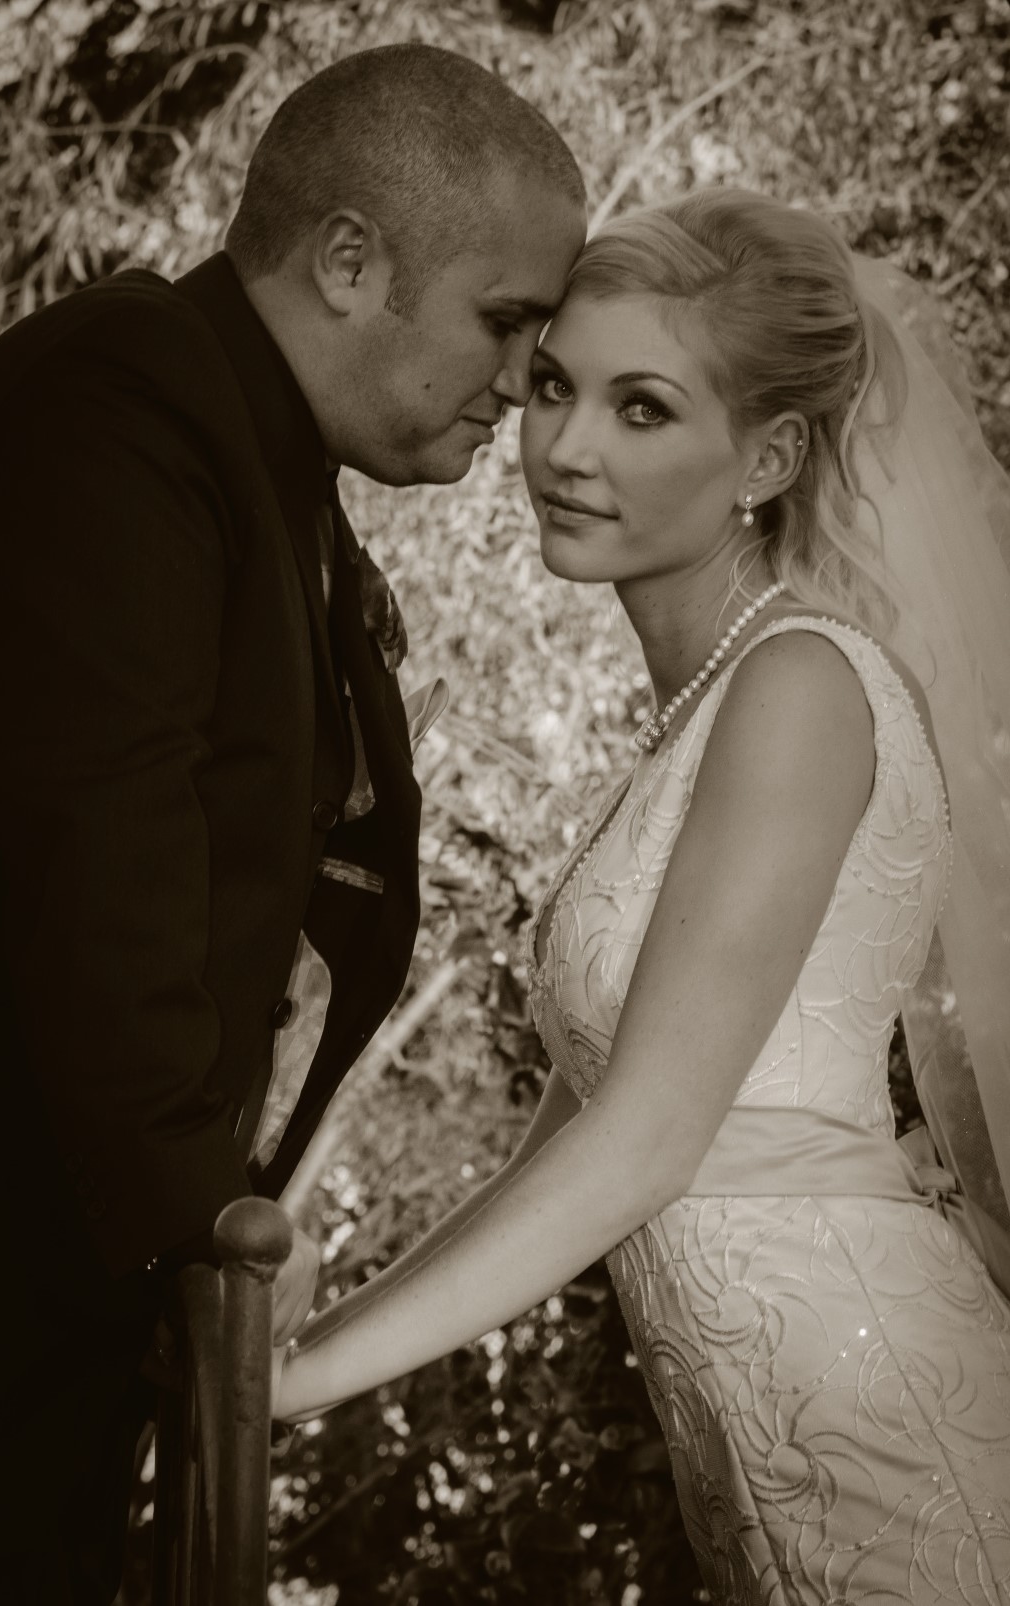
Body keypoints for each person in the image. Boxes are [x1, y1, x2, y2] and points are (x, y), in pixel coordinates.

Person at [272, 190, 1010, 1601]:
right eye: (555, 385)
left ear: (769, 456)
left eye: (643, 408)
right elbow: (565, 1152)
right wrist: (302, 1340)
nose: (564, 446)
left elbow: (647, 1142)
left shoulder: (801, 686)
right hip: (762, 1455)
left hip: (877, 1424)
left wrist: (294, 1386)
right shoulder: (703, 719)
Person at [0, 42, 585, 1605]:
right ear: (349, 261)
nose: (518, 381)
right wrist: (197, 1223)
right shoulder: (121, 404)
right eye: (505, 321)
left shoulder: (254, 450)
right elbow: (102, 832)